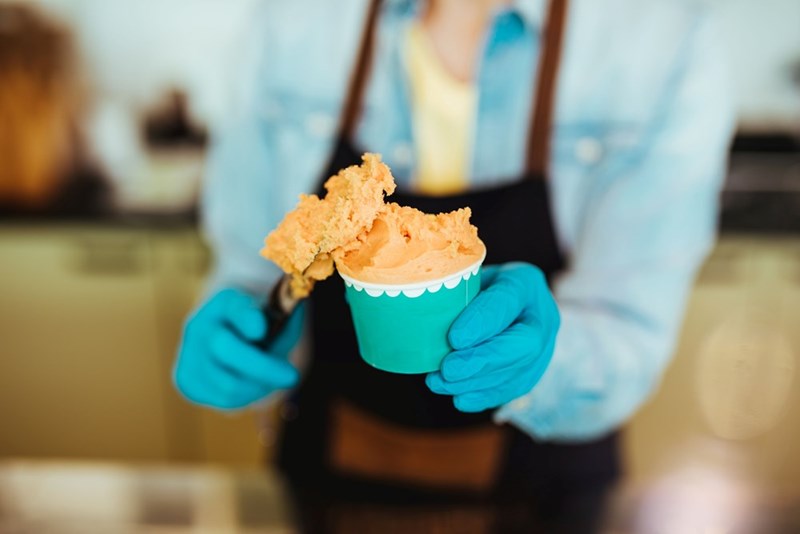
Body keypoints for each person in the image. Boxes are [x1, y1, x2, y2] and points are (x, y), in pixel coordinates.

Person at [174, 0, 734, 528]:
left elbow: (630, 329)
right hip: (333, 474)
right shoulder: (294, 18)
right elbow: (251, 259)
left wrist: (549, 358)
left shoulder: (662, 34)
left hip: (545, 492)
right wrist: (248, 321)